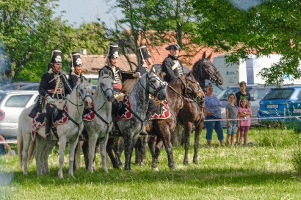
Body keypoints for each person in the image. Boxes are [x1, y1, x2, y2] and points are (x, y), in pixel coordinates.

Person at [29, 50, 72, 141]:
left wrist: (69, 96)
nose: (59, 66)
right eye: (57, 64)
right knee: (51, 110)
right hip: (51, 100)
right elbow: (41, 89)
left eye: (60, 64)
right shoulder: (46, 76)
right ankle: (48, 132)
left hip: (62, 100)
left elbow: (69, 89)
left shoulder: (63, 76)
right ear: (53, 65)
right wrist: (48, 97)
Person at [98, 43, 139, 134]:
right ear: (109, 58)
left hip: (120, 94)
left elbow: (126, 75)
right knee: (115, 105)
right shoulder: (104, 70)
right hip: (108, 95)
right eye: (113, 58)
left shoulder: (118, 69)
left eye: (116, 58)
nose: (115, 61)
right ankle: (112, 125)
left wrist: (135, 75)